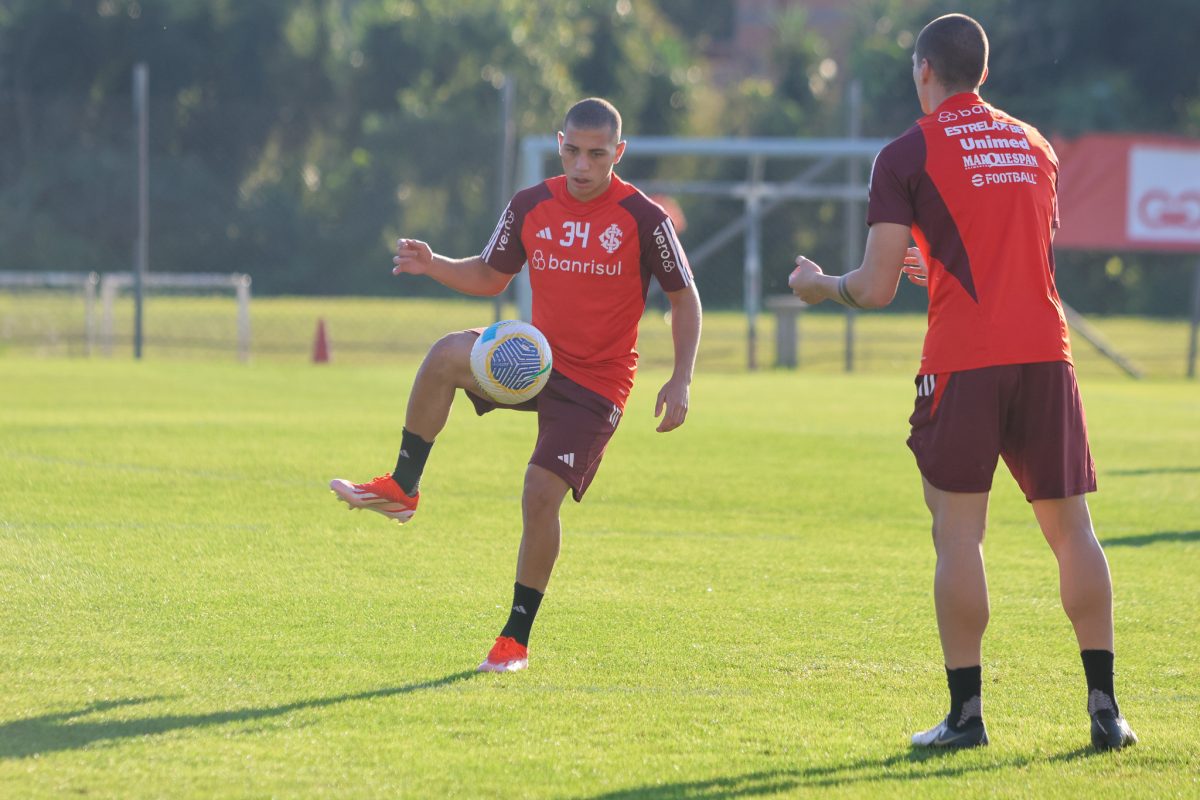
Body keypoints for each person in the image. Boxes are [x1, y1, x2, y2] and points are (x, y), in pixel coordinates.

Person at [787, 14, 1136, 751]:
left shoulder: (906, 152)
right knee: (1073, 530)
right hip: (1047, 355)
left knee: (958, 533)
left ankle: (967, 715)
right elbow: (1012, 254)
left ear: (923, 71)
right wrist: (936, 269)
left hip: (965, 361)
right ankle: (1106, 708)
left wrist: (820, 286)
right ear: (981, 71)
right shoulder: (1035, 144)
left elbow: (875, 288)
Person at [331, 97, 702, 674]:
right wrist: (435, 265)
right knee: (445, 355)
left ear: (617, 154)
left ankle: (515, 639)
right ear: (560, 144)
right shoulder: (532, 204)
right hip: (536, 361)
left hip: (598, 385)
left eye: (596, 154)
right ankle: (403, 486)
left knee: (537, 493)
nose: (582, 165)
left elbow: (685, 298)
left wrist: (680, 377)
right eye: (573, 151)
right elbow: (489, 274)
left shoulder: (643, 218)